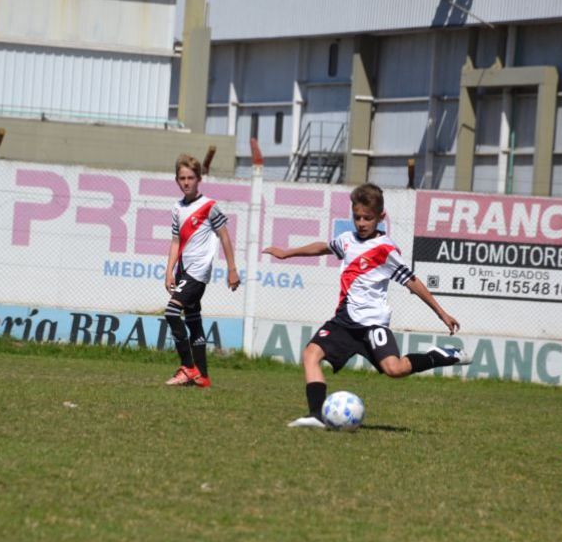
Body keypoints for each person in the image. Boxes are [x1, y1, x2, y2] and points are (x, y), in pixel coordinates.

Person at [262, 183, 471, 428]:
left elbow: (412, 282)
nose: (361, 223)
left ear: (381, 217)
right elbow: (324, 246)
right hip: (343, 322)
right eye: (357, 217)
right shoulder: (347, 240)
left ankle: (438, 356)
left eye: (367, 218)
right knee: (311, 354)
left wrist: (441, 313)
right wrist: (288, 253)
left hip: (373, 325)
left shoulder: (386, 250)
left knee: (395, 369)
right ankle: (317, 415)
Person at [163, 154, 240, 388]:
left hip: (198, 273)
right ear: (177, 180)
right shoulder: (177, 208)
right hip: (183, 271)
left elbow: (224, 237)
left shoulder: (209, 207)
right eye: (182, 178)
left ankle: (188, 367)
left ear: (199, 179)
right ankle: (203, 376)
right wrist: (169, 271)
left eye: (191, 178)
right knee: (193, 321)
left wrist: (232, 269)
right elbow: (176, 241)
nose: (186, 182)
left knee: (172, 313)